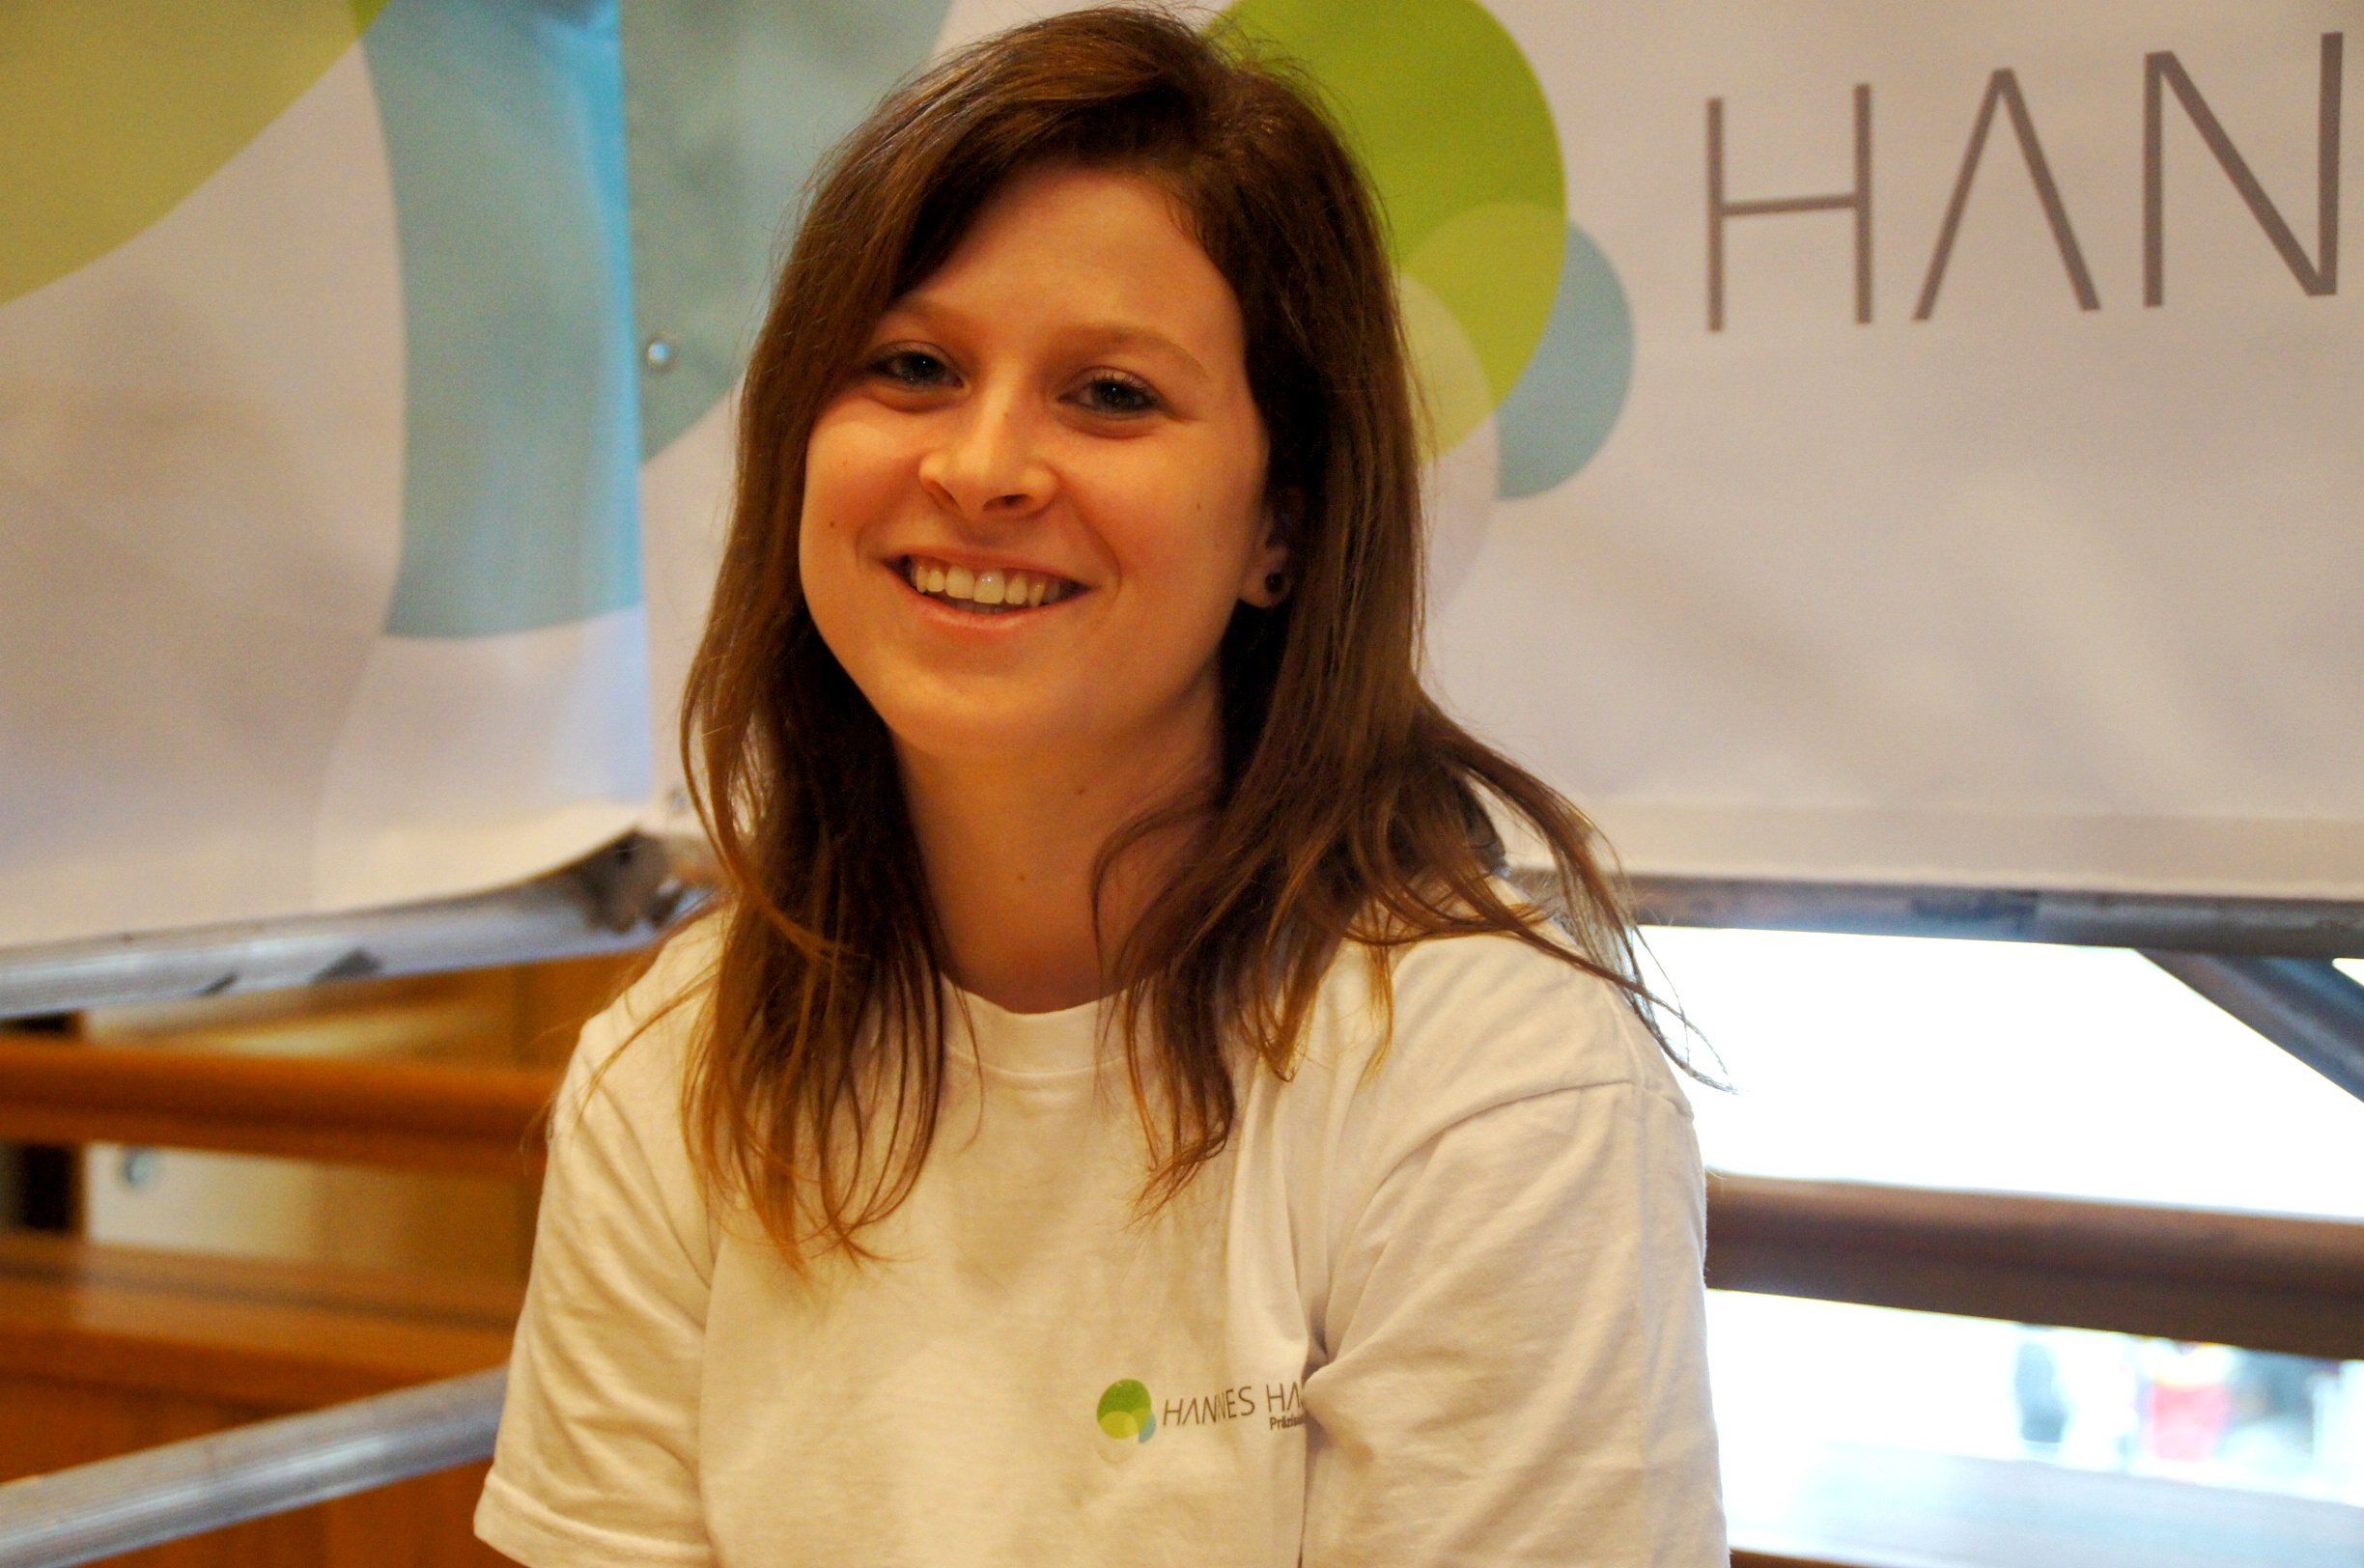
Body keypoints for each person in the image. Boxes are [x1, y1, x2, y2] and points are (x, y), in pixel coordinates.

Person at [474, 8, 1726, 1563]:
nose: (982, 467)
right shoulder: (676, 1064)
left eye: (1112, 395)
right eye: (913, 367)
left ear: (1281, 525)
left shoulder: (1495, 1091)